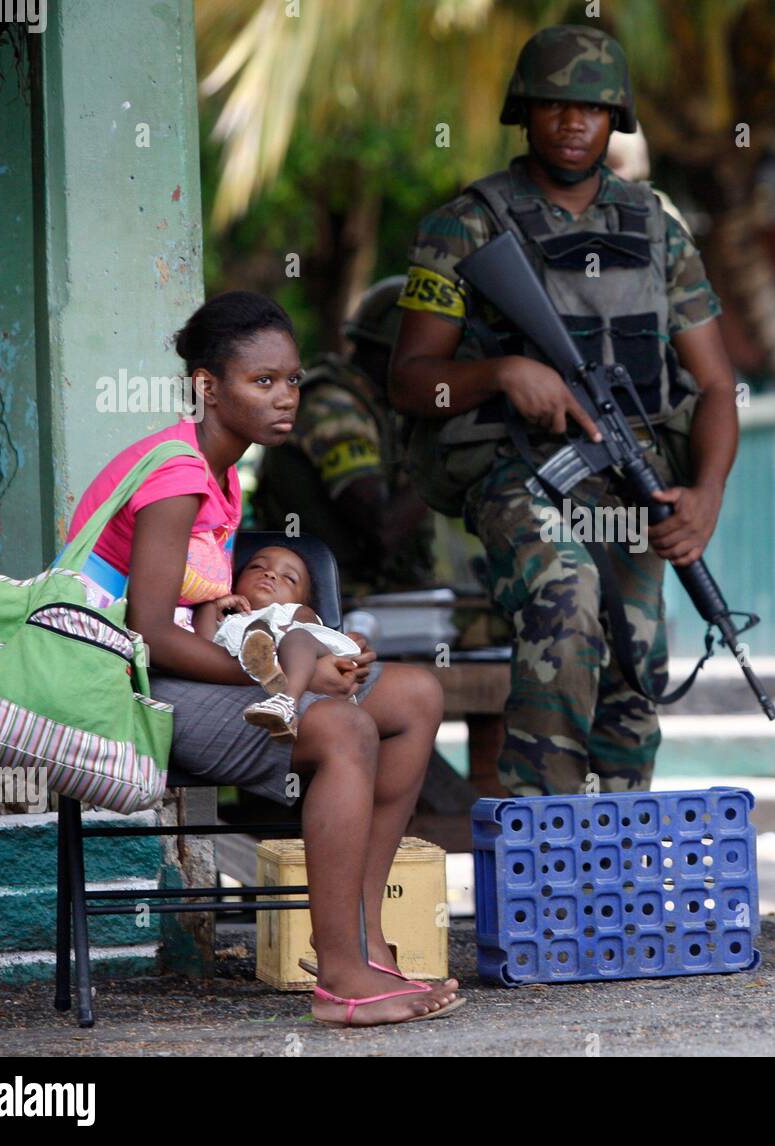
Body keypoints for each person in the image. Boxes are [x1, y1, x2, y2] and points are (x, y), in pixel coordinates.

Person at [65, 291, 463, 1025]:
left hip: (186, 676)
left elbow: (201, 613)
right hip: (127, 690)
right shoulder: (177, 477)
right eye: (263, 382)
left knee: (412, 697)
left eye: (293, 380)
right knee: (343, 730)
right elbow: (149, 632)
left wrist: (326, 656)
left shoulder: (220, 479)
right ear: (208, 388)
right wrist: (279, 675)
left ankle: (363, 938)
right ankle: (341, 975)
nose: (286, 398)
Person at [389, 24, 738, 797]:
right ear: (526, 112)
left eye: (592, 107)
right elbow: (411, 382)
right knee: (565, 598)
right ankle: (540, 835)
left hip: (633, 474)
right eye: (554, 105)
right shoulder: (466, 224)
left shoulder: (656, 229)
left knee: (634, 667)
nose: (573, 122)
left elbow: (715, 384)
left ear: (616, 119)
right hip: (519, 469)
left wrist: (705, 494)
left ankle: (614, 868)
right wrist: (503, 373)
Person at [253, 277, 435, 599]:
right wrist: (441, 460)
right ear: (395, 354)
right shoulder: (335, 409)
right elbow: (383, 527)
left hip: (353, 595)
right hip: (329, 600)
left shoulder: (374, 408)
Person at [195, 545, 364, 741]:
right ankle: (262, 658)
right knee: (256, 628)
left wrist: (278, 633)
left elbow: (305, 628)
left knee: (292, 634)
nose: (270, 574)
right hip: (245, 672)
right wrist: (211, 603)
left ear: (302, 600)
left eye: (289, 578)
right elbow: (204, 643)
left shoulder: (294, 611)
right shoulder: (229, 622)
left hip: (305, 651)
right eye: (257, 567)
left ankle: (287, 701)